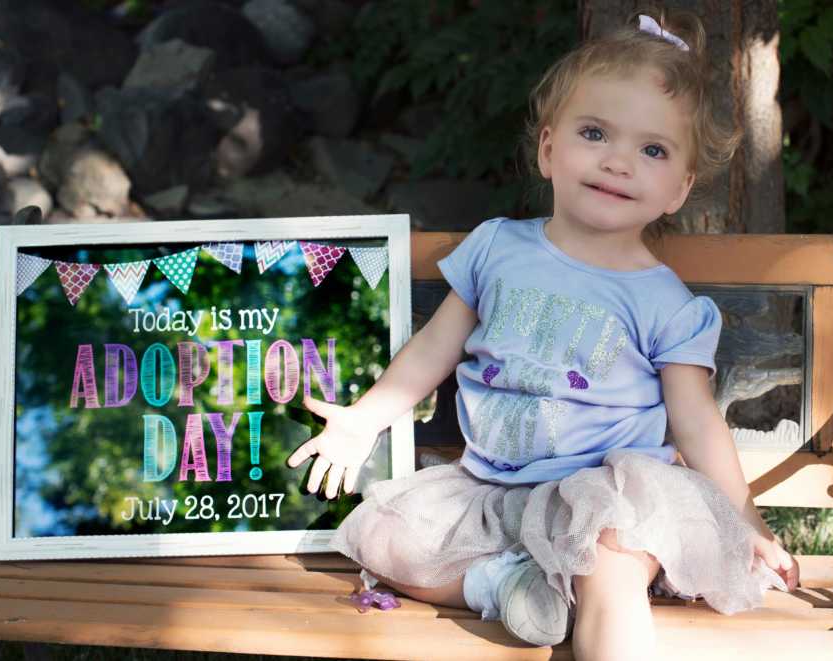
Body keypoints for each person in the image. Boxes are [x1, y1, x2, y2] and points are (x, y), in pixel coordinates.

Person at [287, 8, 800, 660]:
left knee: (610, 567)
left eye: (652, 150)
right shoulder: (496, 248)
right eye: (595, 134)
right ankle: (504, 581)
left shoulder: (665, 302)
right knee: (384, 535)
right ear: (549, 149)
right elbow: (433, 350)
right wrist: (364, 419)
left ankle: (590, 612)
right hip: (490, 492)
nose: (618, 161)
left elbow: (697, 423)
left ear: (679, 188)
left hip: (607, 498)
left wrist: (746, 521)